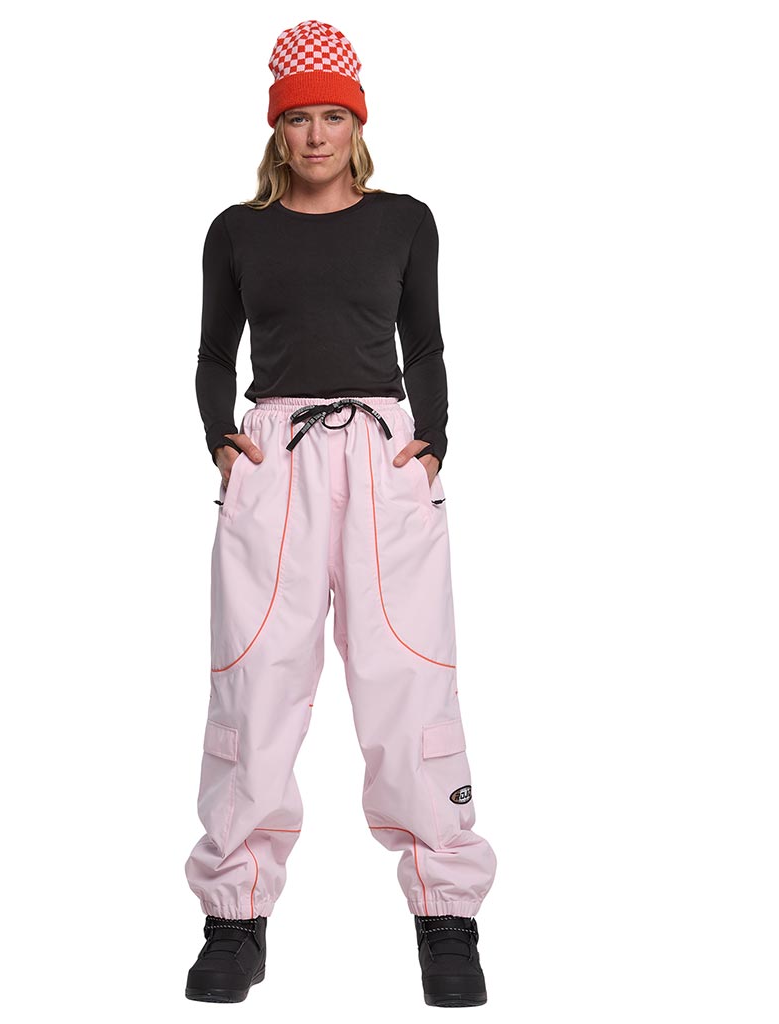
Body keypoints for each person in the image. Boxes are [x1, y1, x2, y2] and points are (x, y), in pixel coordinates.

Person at [184, 20, 497, 1007]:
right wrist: (219, 437)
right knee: (256, 677)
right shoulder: (237, 231)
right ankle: (235, 916)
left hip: (382, 455)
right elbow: (214, 352)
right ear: (275, 130)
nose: (315, 135)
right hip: (273, 456)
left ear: (357, 124)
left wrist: (433, 438)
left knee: (407, 673)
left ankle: (446, 914)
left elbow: (426, 344)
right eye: (297, 119)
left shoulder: (405, 221)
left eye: (331, 116)